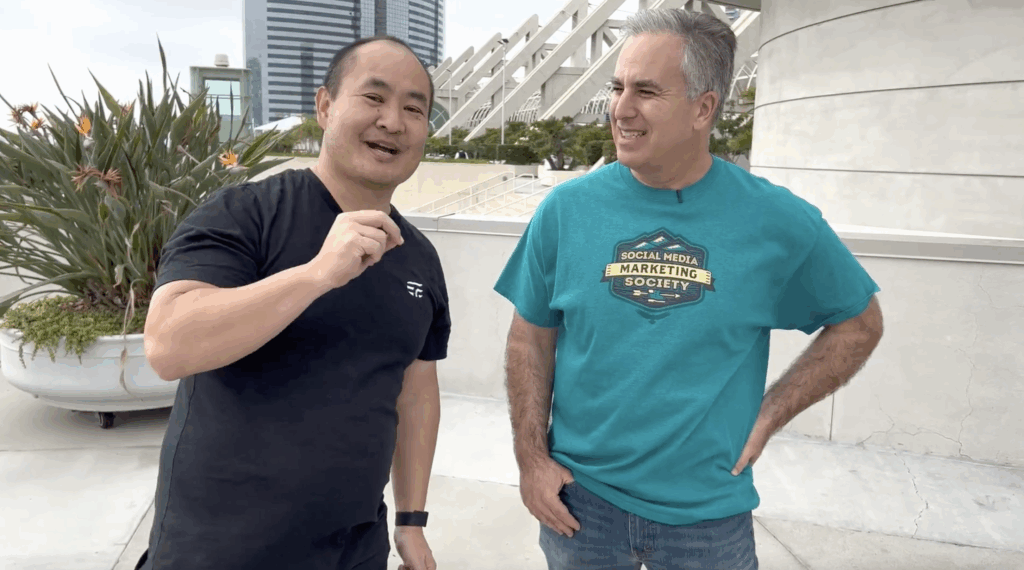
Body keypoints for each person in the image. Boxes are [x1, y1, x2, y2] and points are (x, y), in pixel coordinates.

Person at [494, 8, 884, 570]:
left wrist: (771, 412)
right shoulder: (566, 210)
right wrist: (531, 459)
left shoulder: (776, 221)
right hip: (581, 507)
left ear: (704, 108)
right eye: (618, 88)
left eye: (647, 91)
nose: (621, 109)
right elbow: (529, 338)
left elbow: (860, 324)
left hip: (709, 520)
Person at [136, 36, 449, 570]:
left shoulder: (417, 256)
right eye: (374, 98)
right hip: (221, 549)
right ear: (325, 107)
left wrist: (411, 520)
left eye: (414, 109)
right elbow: (168, 345)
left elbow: (416, 390)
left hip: (355, 547)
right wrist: (317, 274)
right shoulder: (245, 213)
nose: (393, 122)